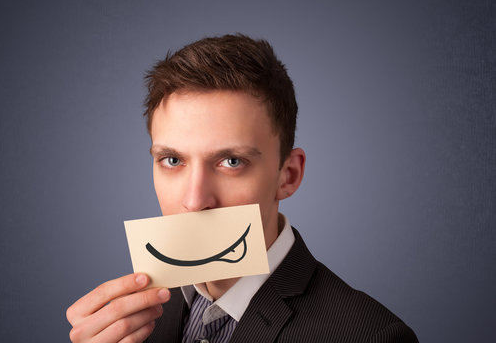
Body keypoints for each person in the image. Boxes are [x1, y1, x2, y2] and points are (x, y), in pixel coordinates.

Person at [66, 34, 418, 342]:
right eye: (172, 160)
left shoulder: (370, 337)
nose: (195, 201)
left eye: (231, 162)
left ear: (289, 175)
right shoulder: (127, 328)